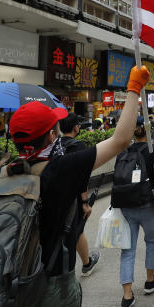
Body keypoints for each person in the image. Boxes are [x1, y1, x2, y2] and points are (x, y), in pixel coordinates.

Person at [0, 66, 148, 307]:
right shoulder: (61, 169)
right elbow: (121, 139)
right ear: (51, 135)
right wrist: (134, 88)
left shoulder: (3, 174)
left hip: (1, 293)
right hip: (48, 293)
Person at [118, 120, 154, 307]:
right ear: (148, 131)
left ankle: (127, 297)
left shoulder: (125, 150)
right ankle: (150, 281)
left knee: (128, 249)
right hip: (147, 203)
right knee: (152, 241)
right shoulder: (152, 149)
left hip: (126, 205)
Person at [58, 113, 100, 276]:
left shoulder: (56, 145)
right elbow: (82, 178)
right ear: (76, 127)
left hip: (58, 195)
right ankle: (83, 265)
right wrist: (85, 202)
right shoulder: (79, 147)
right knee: (76, 229)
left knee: (70, 229)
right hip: (74, 198)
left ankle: (86, 262)